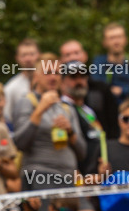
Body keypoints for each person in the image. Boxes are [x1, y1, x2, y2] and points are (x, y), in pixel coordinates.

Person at [11, 53, 87, 196]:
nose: (53, 77)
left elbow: (82, 153)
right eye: (48, 72)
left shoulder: (67, 107)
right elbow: (20, 142)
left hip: (68, 177)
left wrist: (70, 131)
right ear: (36, 76)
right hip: (39, 175)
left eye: (57, 73)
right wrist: (40, 110)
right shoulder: (27, 102)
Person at [59, 60, 107, 211]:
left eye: (82, 76)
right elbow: (61, 153)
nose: (79, 81)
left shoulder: (88, 112)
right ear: (62, 82)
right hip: (76, 187)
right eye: (73, 77)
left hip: (97, 186)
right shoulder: (61, 110)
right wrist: (81, 182)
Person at [91, 23, 129, 108]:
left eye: (119, 37)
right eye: (112, 38)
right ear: (104, 43)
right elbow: (97, 88)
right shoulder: (98, 64)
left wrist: (121, 91)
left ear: (126, 40)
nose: (116, 42)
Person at [3, 38, 40, 121]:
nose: (28, 59)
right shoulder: (11, 88)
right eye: (23, 55)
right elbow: (6, 116)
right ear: (17, 58)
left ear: (39, 55)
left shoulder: (50, 82)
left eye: (31, 54)